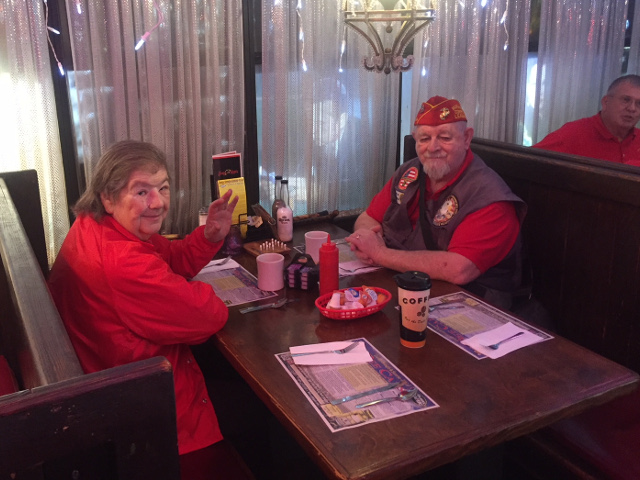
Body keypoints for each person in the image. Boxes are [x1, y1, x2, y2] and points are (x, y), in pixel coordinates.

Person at [48, 140, 239, 457]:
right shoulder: (123, 262)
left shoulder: (94, 224)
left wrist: (208, 237)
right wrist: (188, 291)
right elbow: (209, 315)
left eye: (163, 188)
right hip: (153, 421)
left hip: (117, 388)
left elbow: (170, 257)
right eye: (141, 191)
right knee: (260, 416)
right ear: (108, 198)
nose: (158, 202)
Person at [347, 96, 527, 309]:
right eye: (424, 139)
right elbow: (368, 217)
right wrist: (366, 238)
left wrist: (379, 253)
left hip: (475, 304)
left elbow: (457, 270)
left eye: (444, 138)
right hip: (409, 287)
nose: (433, 148)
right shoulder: (409, 172)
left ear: (466, 138)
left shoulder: (490, 197)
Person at [533, 74, 640, 166]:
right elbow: (527, 163)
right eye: (626, 100)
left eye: (639, 103)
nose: (632, 108)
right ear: (606, 102)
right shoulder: (573, 133)